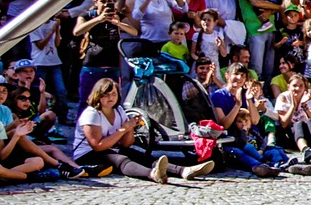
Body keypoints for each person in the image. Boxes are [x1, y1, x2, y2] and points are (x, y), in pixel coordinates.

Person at [74, 78, 214, 183]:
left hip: (110, 148)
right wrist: (123, 129)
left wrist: (131, 127)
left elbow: (127, 144)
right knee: (121, 159)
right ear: (98, 95)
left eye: (113, 94)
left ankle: (183, 171)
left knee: (141, 156)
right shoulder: (92, 114)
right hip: (87, 153)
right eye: (106, 94)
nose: (110, 98)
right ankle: (152, 174)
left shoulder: (119, 111)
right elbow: (97, 146)